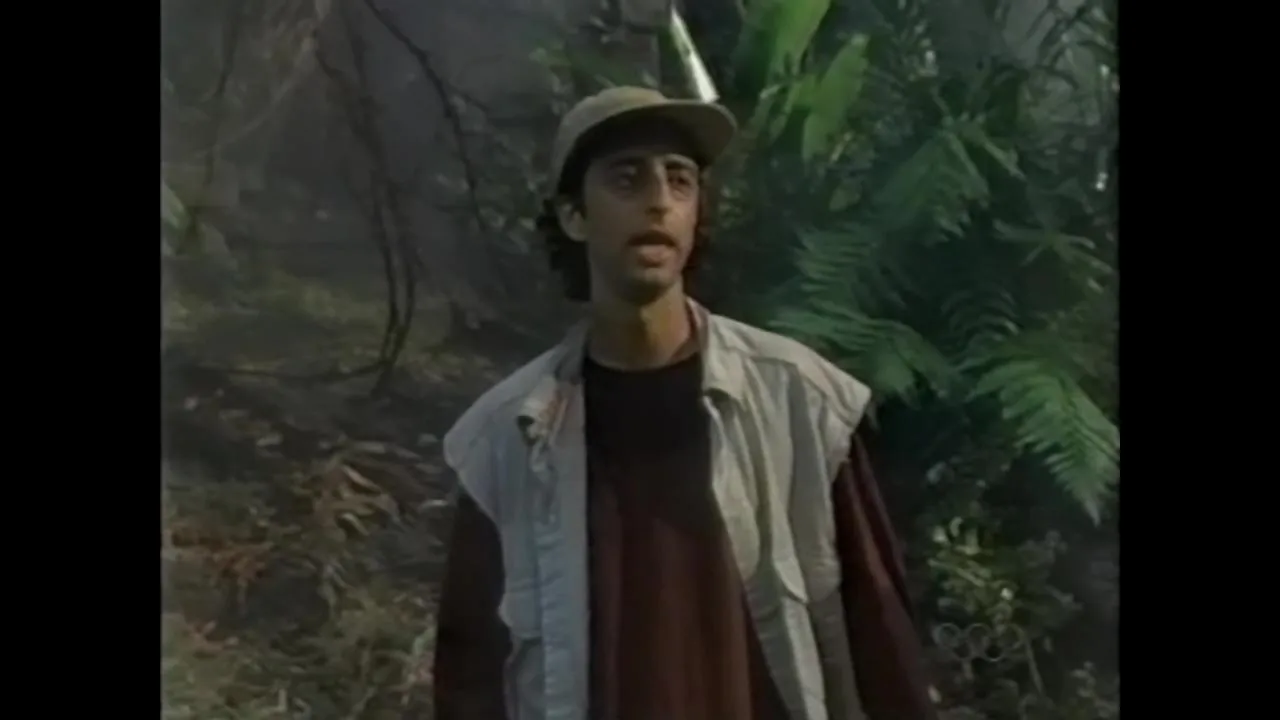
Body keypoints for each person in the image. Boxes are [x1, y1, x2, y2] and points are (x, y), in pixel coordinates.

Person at [432, 86, 938, 720]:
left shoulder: (798, 403)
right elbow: (470, 679)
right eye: (626, 179)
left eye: (680, 180)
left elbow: (882, 643)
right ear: (574, 215)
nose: (658, 201)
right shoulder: (506, 440)